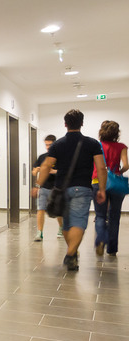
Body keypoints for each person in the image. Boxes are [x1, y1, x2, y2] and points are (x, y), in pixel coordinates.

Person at [33, 110, 107, 271]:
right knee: (78, 222)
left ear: (65, 124)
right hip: (83, 188)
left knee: (67, 223)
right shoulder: (93, 144)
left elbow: (45, 166)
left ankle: (72, 253)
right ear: (82, 123)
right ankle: (71, 254)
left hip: (62, 189)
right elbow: (101, 168)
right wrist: (102, 189)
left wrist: (37, 185)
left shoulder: (58, 144)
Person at [92, 120, 129, 256]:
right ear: (116, 133)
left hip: (97, 181)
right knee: (114, 216)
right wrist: (117, 171)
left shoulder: (97, 145)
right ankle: (112, 249)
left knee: (100, 215)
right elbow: (126, 165)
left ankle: (101, 240)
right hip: (115, 184)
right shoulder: (121, 147)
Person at [31, 134, 63, 241]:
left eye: (50, 145)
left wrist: (53, 171)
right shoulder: (42, 157)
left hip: (57, 188)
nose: (48, 147)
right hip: (44, 187)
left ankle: (61, 227)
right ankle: (39, 232)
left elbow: (64, 172)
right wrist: (37, 170)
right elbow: (34, 172)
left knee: (58, 211)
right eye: (46, 145)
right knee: (40, 209)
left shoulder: (60, 157)